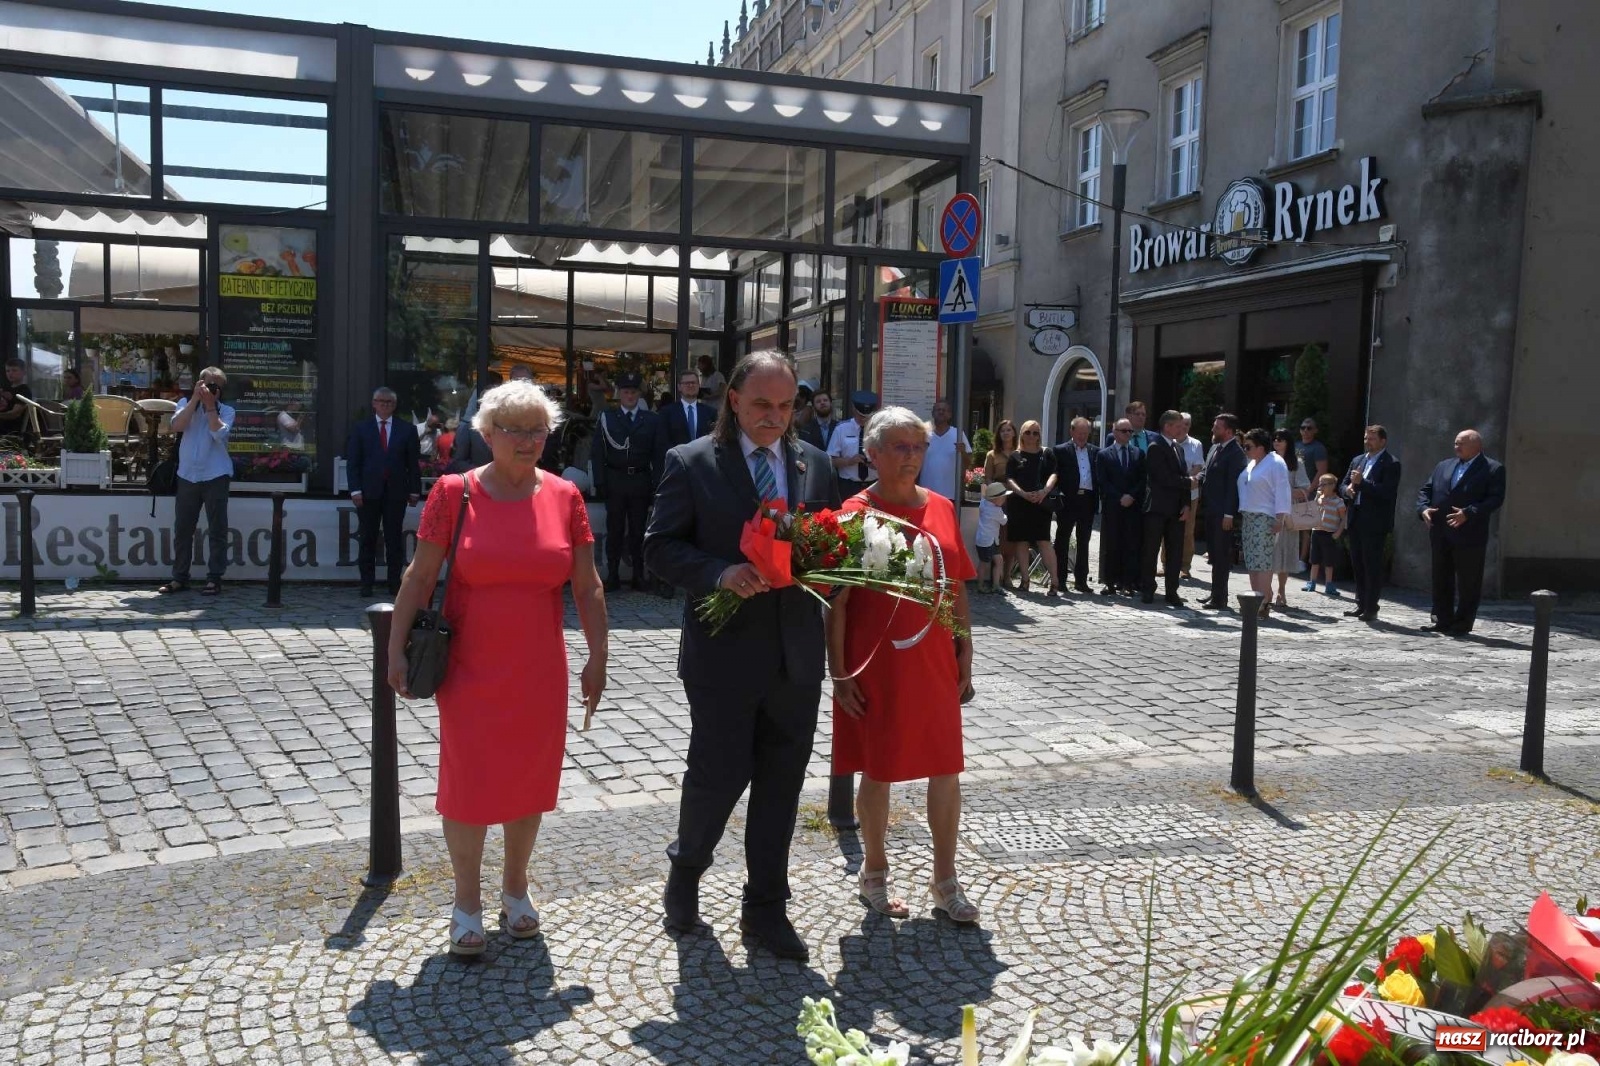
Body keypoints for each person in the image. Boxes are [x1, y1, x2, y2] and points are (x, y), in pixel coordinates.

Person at [386, 380, 608, 957]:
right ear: (486, 435)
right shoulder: (452, 493)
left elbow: (587, 586)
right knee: (469, 781)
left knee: (530, 781)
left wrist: (598, 656)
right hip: (468, 666)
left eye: (539, 429)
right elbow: (419, 576)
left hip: (539, 667)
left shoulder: (565, 496)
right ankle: (466, 903)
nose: (529, 440)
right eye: (515, 430)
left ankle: (516, 889)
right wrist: (393, 648)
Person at [642, 351, 842, 962]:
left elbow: (828, 542)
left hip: (795, 655)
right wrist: (719, 572)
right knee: (718, 776)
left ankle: (764, 909)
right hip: (724, 656)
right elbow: (658, 548)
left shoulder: (816, 464)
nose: (774, 418)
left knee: (782, 784)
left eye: (785, 407)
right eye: (762, 405)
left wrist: (830, 567)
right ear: (733, 399)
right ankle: (687, 869)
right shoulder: (693, 462)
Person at [829, 406, 979, 925]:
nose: (911, 457)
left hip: (934, 655)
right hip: (877, 661)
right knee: (880, 767)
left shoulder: (940, 506)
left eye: (918, 447)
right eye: (899, 447)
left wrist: (965, 646)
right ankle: (873, 874)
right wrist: (840, 671)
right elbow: (839, 601)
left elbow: (955, 580)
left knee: (946, 766)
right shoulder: (853, 512)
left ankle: (946, 881)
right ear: (871, 454)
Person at [1416, 428, 1506, 635]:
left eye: (1461, 443)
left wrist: (1469, 512)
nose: (1456, 446)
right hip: (1440, 531)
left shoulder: (1493, 469)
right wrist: (1423, 509)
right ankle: (1441, 619)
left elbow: (1495, 499)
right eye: (1456, 442)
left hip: (1469, 534)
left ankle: (1462, 623)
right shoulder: (1443, 466)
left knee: (1468, 581)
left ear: (1476, 445)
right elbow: (1426, 491)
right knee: (1441, 577)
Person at [156, 366, 235, 597]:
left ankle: (214, 578)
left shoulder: (226, 411)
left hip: (216, 475)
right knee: (183, 529)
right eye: (208, 384)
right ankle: (180, 577)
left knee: (217, 529)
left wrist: (210, 406)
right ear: (198, 384)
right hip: (188, 475)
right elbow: (176, 426)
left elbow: (218, 434)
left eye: (217, 386)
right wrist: (194, 401)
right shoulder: (184, 404)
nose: (212, 389)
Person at [346, 387, 422, 598]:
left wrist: (414, 490)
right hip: (368, 492)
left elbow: (413, 464)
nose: (385, 405)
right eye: (381, 401)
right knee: (368, 538)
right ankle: (366, 583)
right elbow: (353, 463)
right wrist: (355, 489)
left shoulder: (407, 429)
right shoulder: (362, 429)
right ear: (374, 403)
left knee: (393, 539)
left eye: (389, 402)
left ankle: (393, 584)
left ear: (394, 405)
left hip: (396, 492)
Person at [593, 373, 662, 592]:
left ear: (639, 394)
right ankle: (612, 575)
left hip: (640, 480)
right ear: (619, 394)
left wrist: (656, 484)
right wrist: (600, 482)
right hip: (615, 479)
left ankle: (638, 575)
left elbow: (658, 455)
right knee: (614, 529)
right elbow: (598, 453)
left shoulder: (651, 419)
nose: (630, 396)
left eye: (633, 392)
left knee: (638, 530)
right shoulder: (608, 417)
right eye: (625, 392)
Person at [1340, 425, 1402, 622]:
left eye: (1372, 439)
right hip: (1356, 518)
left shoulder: (1391, 463)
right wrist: (1346, 491)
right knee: (1357, 564)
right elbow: (1342, 484)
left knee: (1371, 565)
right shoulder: (1358, 460)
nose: (1368, 442)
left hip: (1374, 523)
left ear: (1383, 441)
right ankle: (1360, 603)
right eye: (1366, 438)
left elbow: (1386, 492)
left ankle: (1371, 606)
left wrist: (1362, 484)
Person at [1237, 428, 1293, 619]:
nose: (1245, 449)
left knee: (1262, 560)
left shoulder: (1275, 462)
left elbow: (1282, 490)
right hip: (1249, 516)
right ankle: (1256, 598)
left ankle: (1263, 601)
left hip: (1265, 516)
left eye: (1248, 446)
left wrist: (1280, 517)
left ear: (1261, 447)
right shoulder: (1252, 463)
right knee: (1252, 560)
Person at [1139, 411, 1190, 607]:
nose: (1181, 429)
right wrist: (1189, 482)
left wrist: (1186, 504)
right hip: (1157, 508)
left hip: (1176, 509)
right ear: (1167, 427)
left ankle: (1172, 591)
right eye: (1178, 426)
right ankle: (1148, 589)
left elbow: (1182, 476)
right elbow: (1162, 478)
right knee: (1151, 551)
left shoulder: (1179, 449)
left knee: (1175, 552)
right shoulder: (1155, 447)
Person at [1003, 420, 1059, 596]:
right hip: (1020, 502)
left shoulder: (1047, 453)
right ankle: (1025, 579)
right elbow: (1010, 479)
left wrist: (1044, 491)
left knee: (1044, 541)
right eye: (1028, 432)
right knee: (1022, 541)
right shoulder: (1015, 456)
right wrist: (1022, 494)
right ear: (1021, 434)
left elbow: (1054, 474)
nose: (1032, 436)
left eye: (1035, 433)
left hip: (1040, 502)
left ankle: (1055, 581)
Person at [1197, 414, 1247, 609]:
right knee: (1214, 555)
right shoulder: (1215, 448)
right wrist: (1195, 478)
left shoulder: (1236, 453)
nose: (1212, 430)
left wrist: (1229, 514)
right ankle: (1215, 593)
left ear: (1228, 431)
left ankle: (1220, 598)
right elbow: (1206, 471)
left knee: (1221, 556)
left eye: (1217, 427)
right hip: (1210, 510)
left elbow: (1233, 487)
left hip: (1222, 514)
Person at [1097, 419, 1146, 596]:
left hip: (1132, 506)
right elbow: (1103, 481)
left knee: (1131, 544)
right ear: (1115, 431)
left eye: (1130, 431)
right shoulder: (1104, 454)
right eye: (1124, 431)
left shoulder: (1138, 454)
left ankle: (1127, 583)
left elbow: (1142, 480)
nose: (1127, 434)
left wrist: (1131, 496)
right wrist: (1120, 497)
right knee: (1111, 544)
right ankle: (1109, 582)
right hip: (1113, 505)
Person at [1050, 417, 1098, 593]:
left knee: (1084, 541)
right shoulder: (1061, 450)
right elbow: (1055, 474)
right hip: (1068, 500)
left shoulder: (1094, 451)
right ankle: (1060, 579)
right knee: (1062, 540)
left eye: (1086, 434)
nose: (1083, 437)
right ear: (1072, 432)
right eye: (1080, 433)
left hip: (1087, 499)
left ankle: (1081, 580)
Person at [1269, 429, 1312, 608]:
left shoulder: (1296, 463)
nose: (1276, 442)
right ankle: (1266, 590)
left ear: (1288, 442)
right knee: (1268, 552)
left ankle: (1281, 590)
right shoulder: (1268, 460)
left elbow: (1305, 488)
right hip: (1269, 511)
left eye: (1280, 439)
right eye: (1274, 439)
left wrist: (1284, 490)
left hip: (1287, 514)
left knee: (1285, 551)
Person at [828, 390, 879, 495]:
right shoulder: (841, 429)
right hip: (849, 486)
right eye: (860, 415)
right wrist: (848, 461)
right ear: (853, 409)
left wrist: (878, 464)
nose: (863, 419)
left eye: (866, 416)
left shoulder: (880, 430)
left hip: (875, 485)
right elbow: (830, 460)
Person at [917, 400, 970, 500]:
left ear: (950, 415)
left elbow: (968, 463)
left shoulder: (958, 434)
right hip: (926, 494)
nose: (941, 412)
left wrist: (963, 452)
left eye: (944, 410)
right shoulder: (924, 435)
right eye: (938, 410)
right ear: (933, 413)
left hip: (950, 495)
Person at [1304, 473, 1347, 596]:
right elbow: (1312, 511)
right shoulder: (1319, 498)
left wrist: (1338, 532)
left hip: (1329, 534)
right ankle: (1312, 582)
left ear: (1333, 486)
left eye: (1324, 484)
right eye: (1320, 484)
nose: (1321, 487)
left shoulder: (1338, 502)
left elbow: (1343, 518)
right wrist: (1317, 499)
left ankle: (1329, 584)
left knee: (1329, 561)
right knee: (1314, 559)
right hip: (1316, 531)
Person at [659, 368, 715, 454]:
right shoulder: (667, 412)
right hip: (677, 462)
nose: (690, 385)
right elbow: (663, 442)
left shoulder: (710, 413)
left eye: (693, 383)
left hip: (704, 463)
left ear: (698, 386)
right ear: (679, 387)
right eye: (686, 383)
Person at [1176, 413, 1205, 577]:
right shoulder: (1170, 442)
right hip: (1172, 493)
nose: (1184, 427)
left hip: (1190, 493)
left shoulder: (1196, 444)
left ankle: (1185, 566)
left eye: (1187, 424)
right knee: (1169, 529)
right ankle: (1166, 564)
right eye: (1182, 423)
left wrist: (1183, 479)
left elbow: (1198, 467)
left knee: (1187, 531)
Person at [974, 482, 1009, 594]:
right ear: (996, 499)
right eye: (1003, 498)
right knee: (984, 563)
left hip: (986, 540)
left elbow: (984, 495)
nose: (1004, 500)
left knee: (997, 561)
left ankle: (995, 585)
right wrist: (1006, 514)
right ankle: (980, 585)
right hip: (988, 541)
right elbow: (1004, 521)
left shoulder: (984, 503)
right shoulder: (996, 510)